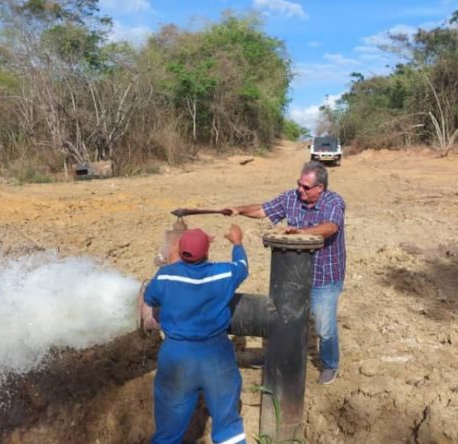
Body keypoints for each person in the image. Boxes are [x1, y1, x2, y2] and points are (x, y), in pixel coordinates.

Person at [225, 161, 346, 385]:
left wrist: (301, 232)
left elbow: (331, 227)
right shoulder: (292, 198)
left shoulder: (333, 201)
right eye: (299, 184)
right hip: (292, 276)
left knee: (323, 326)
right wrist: (239, 210)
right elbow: (264, 209)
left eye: (306, 187)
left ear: (320, 188)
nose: (300, 190)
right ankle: (281, 356)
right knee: (287, 318)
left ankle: (330, 364)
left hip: (324, 276)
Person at [144, 224, 249, 444]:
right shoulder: (222, 273)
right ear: (207, 253)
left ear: (179, 251)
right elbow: (242, 266)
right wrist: (237, 242)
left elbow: (150, 298)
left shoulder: (165, 276)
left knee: (168, 431)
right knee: (228, 425)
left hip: (177, 356)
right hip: (216, 355)